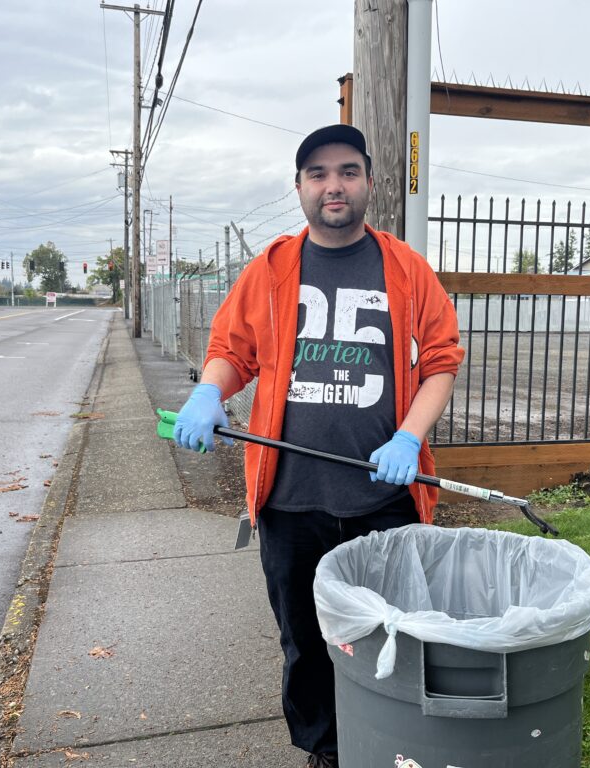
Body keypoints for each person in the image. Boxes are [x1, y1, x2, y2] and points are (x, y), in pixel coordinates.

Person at [172, 124, 464, 768]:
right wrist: (209, 394)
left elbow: (442, 359)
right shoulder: (272, 267)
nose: (334, 185)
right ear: (300, 187)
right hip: (290, 500)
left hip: (382, 498)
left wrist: (409, 437)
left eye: (348, 172)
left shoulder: (406, 269)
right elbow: (231, 351)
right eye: (319, 174)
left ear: (368, 183)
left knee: (390, 635)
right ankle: (325, 751)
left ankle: (391, 744)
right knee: (304, 639)